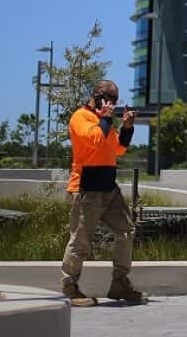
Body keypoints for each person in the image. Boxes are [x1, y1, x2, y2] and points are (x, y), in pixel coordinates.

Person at [60, 80, 145, 306]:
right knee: (81, 240)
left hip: (109, 187)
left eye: (115, 101)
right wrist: (106, 118)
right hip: (86, 188)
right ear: (97, 96)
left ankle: (119, 283)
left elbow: (117, 148)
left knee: (126, 231)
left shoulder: (102, 121)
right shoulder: (81, 117)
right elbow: (95, 141)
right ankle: (70, 286)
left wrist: (127, 127)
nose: (112, 105)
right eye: (109, 99)